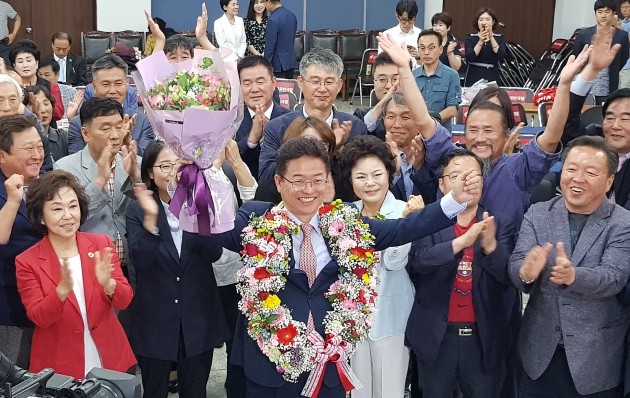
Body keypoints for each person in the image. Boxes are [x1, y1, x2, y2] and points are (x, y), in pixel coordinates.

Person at [219, 135, 480, 398]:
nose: (309, 189)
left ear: (328, 180)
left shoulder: (346, 224)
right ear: (279, 181)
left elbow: (404, 229)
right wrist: (198, 177)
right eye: (298, 181)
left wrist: (454, 200)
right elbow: (210, 231)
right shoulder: (256, 220)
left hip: (328, 364)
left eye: (317, 180)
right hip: (270, 364)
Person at [377, 30, 589, 229]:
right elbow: (423, 120)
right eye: (473, 130)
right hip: (445, 260)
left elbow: (551, 137)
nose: (480, 138)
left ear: (506, 132)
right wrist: (405, 69)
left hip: (498, 262)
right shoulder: (451, 157)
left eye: (489, 131)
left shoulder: (519, 168)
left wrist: (564, 86)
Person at [509, 135, 630, 396]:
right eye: (572, 169)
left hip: (595, 359)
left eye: (590, 172)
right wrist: (525, 273)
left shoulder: (622, 223)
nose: (577, 178)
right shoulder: (538, 213)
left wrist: (573, 276)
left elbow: (614, 276)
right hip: (538, 355)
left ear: (609, 181)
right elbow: (519, 262)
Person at [407, 149, 515, 397]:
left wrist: (490, 246)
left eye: (473, 175)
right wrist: (459, 242)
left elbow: (508, 277)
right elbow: (419, 262)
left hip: (483, 339)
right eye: (456, 175)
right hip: (436, 337)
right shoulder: (427, 219)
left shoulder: (500, 223)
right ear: (443, 185)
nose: (466, 181)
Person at [126, 141, 231, 398]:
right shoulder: (138, 208)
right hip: (155, 321)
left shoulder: (201, 200)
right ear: (150, 173)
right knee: (154, 391)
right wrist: (151, 220)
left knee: (195, 391)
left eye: (178, 164)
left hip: (198, 318)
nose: (173, 171)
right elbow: (141, 260)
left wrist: (199, 213)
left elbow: (214, 253)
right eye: (165, 165)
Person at [14, 170, 135, 380]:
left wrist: (109, 284)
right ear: (41, 216)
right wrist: (60, 292)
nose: (68, 216)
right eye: (57, 209)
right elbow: (38, 317)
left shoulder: (101, 244)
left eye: (73, 206)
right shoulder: (27, 261)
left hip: (109, 357)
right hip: (59, 366)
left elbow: (125, 300)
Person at [343, 135, 423, 398]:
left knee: (389, 391)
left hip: (391, 316)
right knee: (358, 391)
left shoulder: (403, 210)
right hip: (352, 319)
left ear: (389, 175)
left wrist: (405, 224)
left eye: (377, 174)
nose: (370, 183)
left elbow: (393, 261)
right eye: (361, 176)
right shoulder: (345, 214)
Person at [258, 47, 368, 201]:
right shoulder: (278, 127)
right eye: (315, 81)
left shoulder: (355, 127)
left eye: (329, 81)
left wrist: (337, 152)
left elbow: (360, 181)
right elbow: (265, 178)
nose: (322, 89)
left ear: (340, 85)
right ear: (301, 83)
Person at [55, 97, 141, 287]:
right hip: (91, 269)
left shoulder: (135, 161)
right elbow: (67, 220)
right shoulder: (64, 168)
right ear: (85, 134)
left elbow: (149, 210)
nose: (115, 135)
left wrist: (136, 177)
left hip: (134, 266)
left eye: (119, 127)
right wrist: (100, 180)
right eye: (105, 128)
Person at [0, 114, 45, 368]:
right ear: (2, 155)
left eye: (39, 146)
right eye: (28, 148)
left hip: (49, 304)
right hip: (9, 309)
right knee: (12, 381)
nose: (37, 154)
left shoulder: (49, 182)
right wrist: (13, 201)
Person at [67, 54, 155, 156]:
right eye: (106, 85)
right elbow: (76, 163)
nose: (113, 91)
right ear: (94, 87)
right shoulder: (78, 124)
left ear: (126, 85)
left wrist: (127, 142)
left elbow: (147, 163)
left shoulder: (143, 121)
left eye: (118, 84)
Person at [236, 55, 290, 178]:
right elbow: (226, 160)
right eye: (247, 83)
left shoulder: (290, 119)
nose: (254, 89)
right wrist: (251, 140)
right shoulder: (230, 120)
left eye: (260, 82)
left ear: (274, 83)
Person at [571, 0, 630, 103]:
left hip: (608, 87)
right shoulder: (583, 34)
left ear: (613, 14)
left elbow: (623, 59)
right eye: (600, 12)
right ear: (595, 14)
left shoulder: (622, 36)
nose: (603, 15)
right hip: (584, 87)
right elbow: (576, 57)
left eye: (607, 12)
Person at [413, 29, 461, 131]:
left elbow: (452, 109)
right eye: (422, 48)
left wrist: (429, 122)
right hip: (415, 132)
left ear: (440, 49)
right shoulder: (412, 76)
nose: (426, 52)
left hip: (441, 133)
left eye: (431, 48)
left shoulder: (452, 75)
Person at [9, 40, 64, 122]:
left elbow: (59, 113)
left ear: (37, 63)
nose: (25, 65)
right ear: (14, 65)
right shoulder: (10, 86)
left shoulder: (50, 86)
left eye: (29, 60)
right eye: (20, 61)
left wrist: (41, 105)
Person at [353, 52, 403, 141]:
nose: (389, 86)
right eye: (382, 80)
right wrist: (384, 103)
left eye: (395, 80)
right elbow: (356, 137)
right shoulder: (360, 116)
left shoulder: (424, 118)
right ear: (374, 82)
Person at [26, 85, 77, 161]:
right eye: (36, 105)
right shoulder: (23, 140)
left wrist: (71, 120)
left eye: (46, 104)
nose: (43, 110)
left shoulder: (62, 136)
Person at [464, 8, 506, 86]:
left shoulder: (500, 38)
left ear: (493, 22)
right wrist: (481, 41)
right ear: (477, 22)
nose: (484, 22)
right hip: (474, 75)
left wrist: (491, 38)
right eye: (481, 20)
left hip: (492, 75)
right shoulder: (470, 37)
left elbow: (501, 56)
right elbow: (470, 57)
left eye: (487, 19)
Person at [379, 0, 421, 67]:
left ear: (416, 16)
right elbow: (381, 63)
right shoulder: (387, 35)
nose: (407, 23)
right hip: (394, 74)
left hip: (417, 75)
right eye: (403, 20)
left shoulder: (422, 35)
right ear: (397, 16)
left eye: (410, 19)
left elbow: (429, 65)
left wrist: (419, 57)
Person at [263, 0, 297, 79]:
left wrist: (265, 64)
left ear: (269, 2)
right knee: (288, 90)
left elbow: (270, 45)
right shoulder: (292, 15)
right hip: (290, 61)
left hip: (277, 64)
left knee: (277, 90)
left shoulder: (273, 19)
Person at [0, 1, 19, 65]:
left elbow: (17, 18)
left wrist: (14, 33)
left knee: (8, 69)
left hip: (3, 46)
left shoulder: (4, 6)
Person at [619, 0, 630, 89]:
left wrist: (618, 27)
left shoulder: (619, 25)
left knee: (625, 93)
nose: (624, 10)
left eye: (626, 7)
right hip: (620, 64)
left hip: (628, 66)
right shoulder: (622, 22)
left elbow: (628, 40)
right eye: (622, 7)